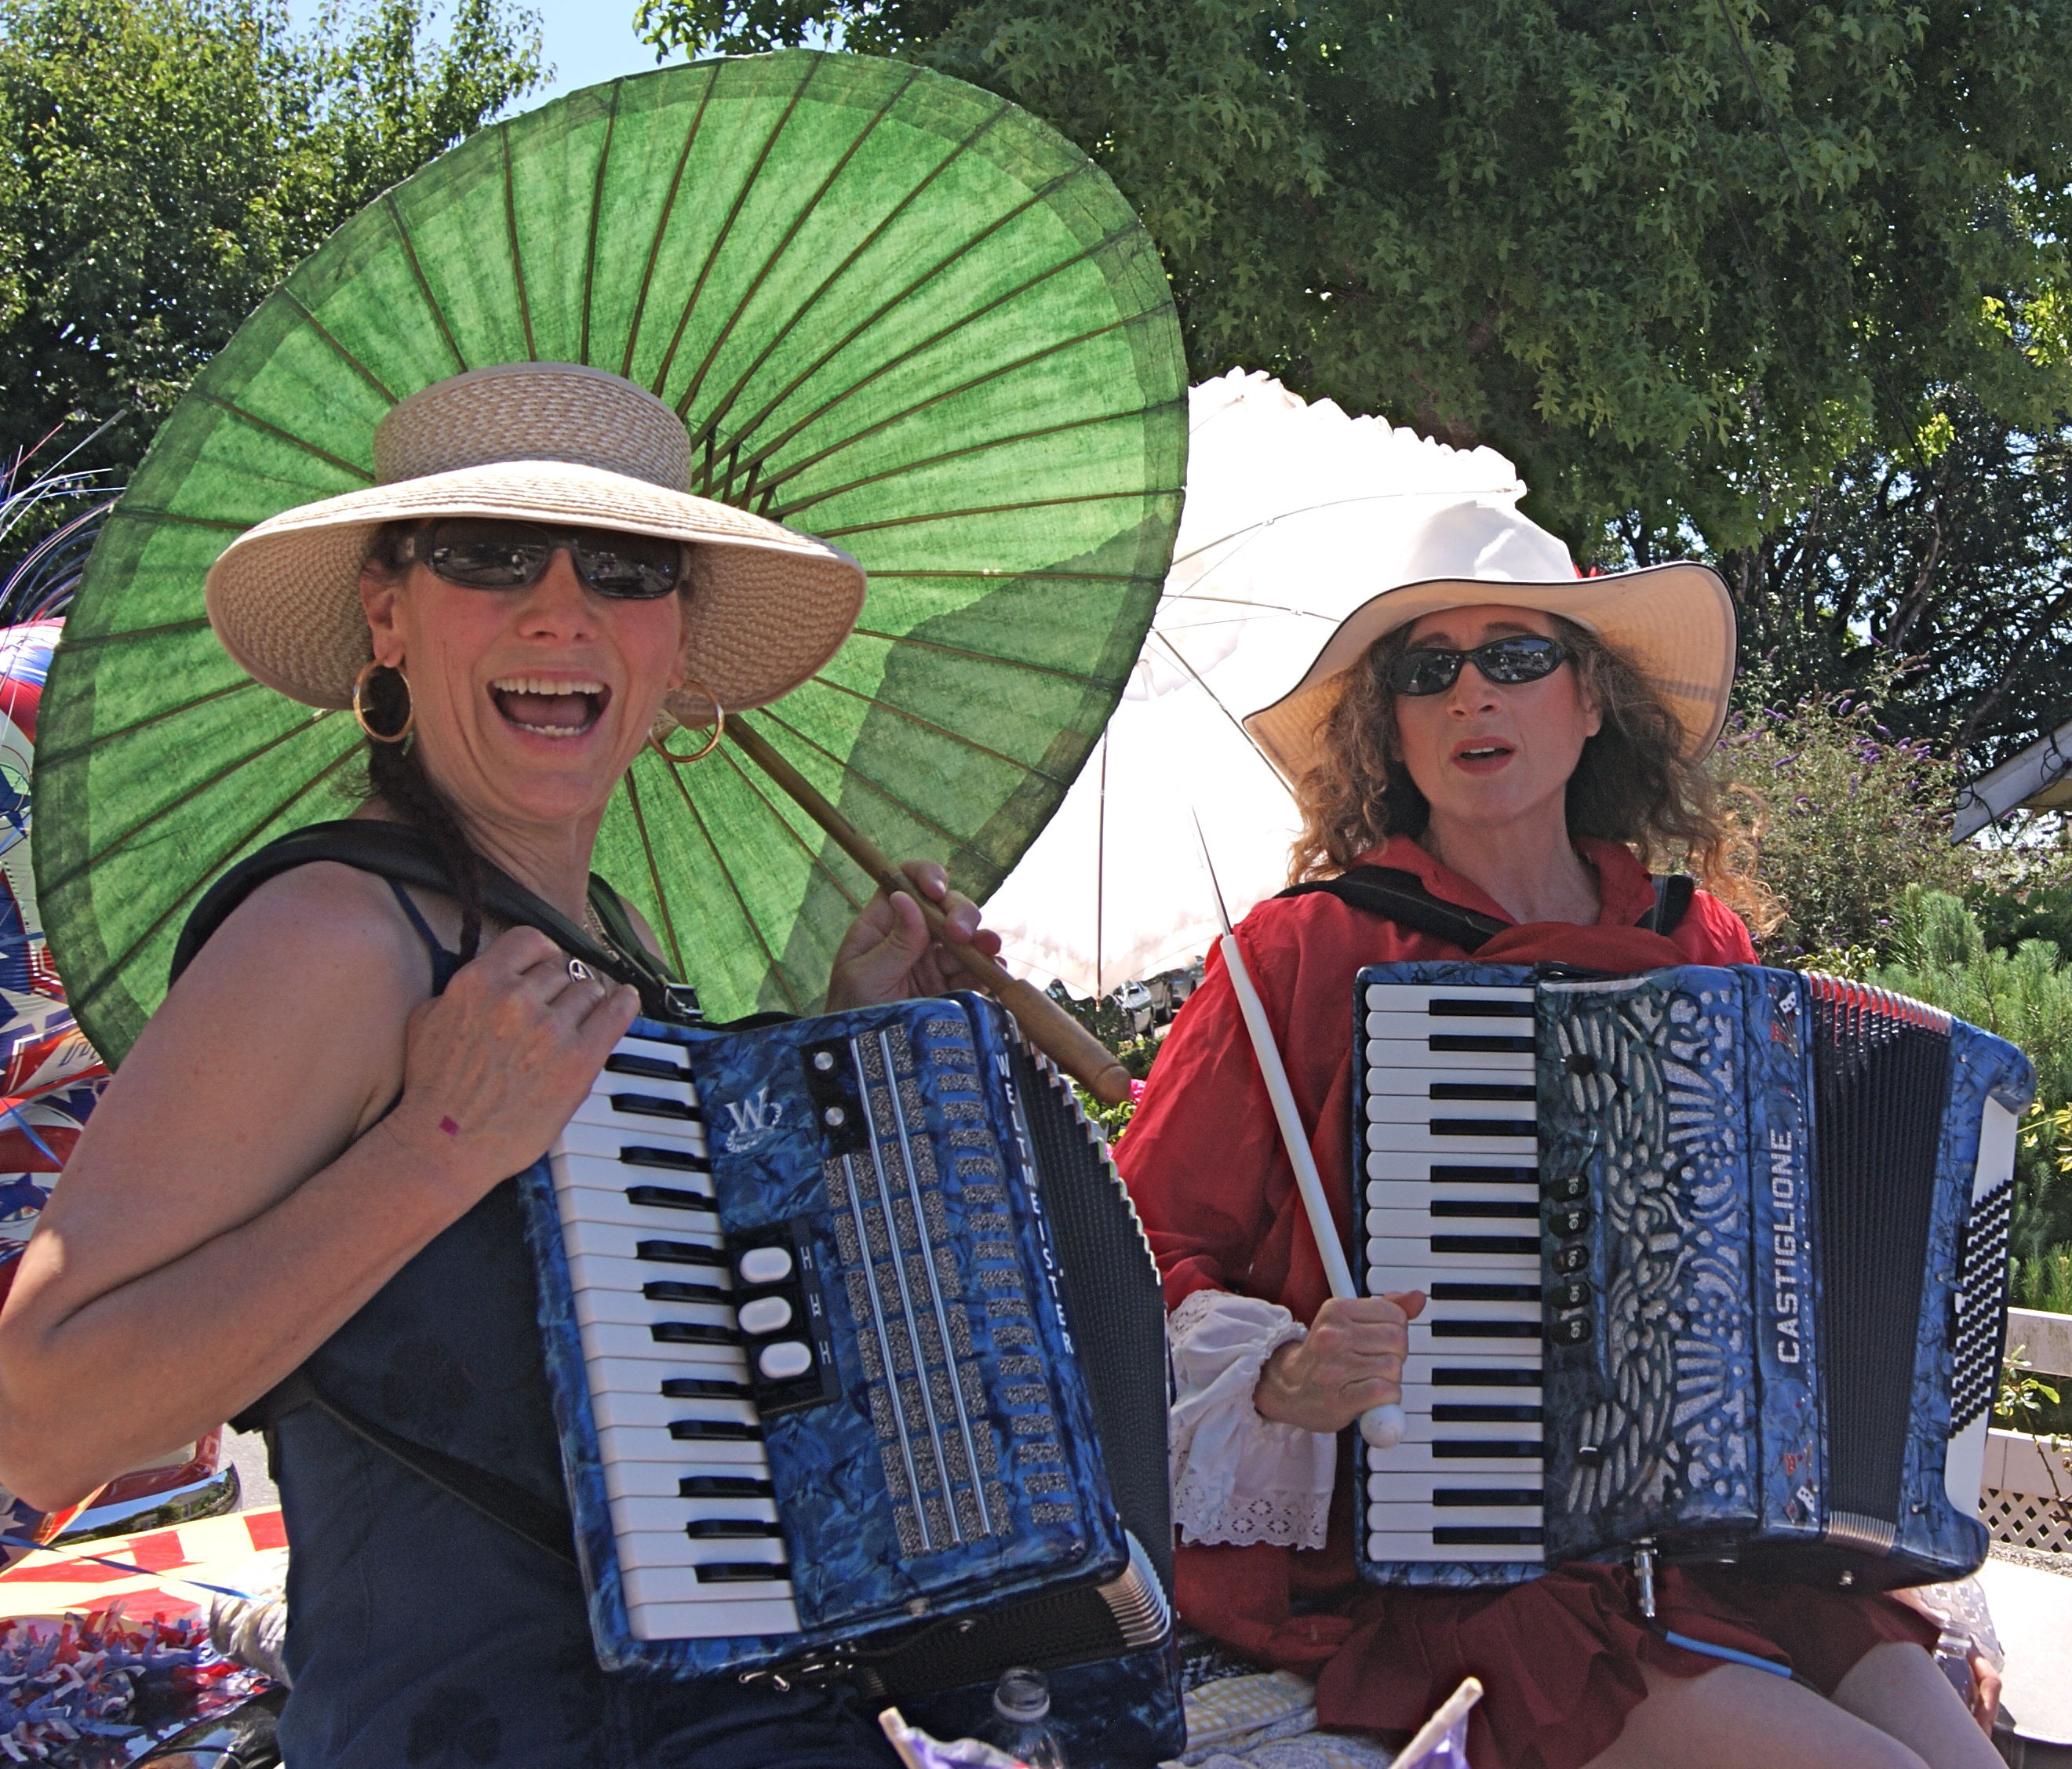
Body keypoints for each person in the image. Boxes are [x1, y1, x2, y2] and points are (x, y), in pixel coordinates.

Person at [0, 363, 1006, 1768]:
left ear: (674, 646)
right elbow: (41, 1417)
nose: (561, 608)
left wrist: (849, 1033)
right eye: (488, 556)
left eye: (628, 566)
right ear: (387, 614)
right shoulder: (330, 935)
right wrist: (436, 1149)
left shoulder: (605, 938)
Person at [1115, 502, 2006, 1769]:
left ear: (1587, 700)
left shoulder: (1700, 950)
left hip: (1718, 1542)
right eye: (1430, 671)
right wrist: (1280, 1376)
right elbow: (1128, 1258)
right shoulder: (1299, 953)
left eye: (1516, 659)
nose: (1472, 693)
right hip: (1466, 1569)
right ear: (1396, 724)